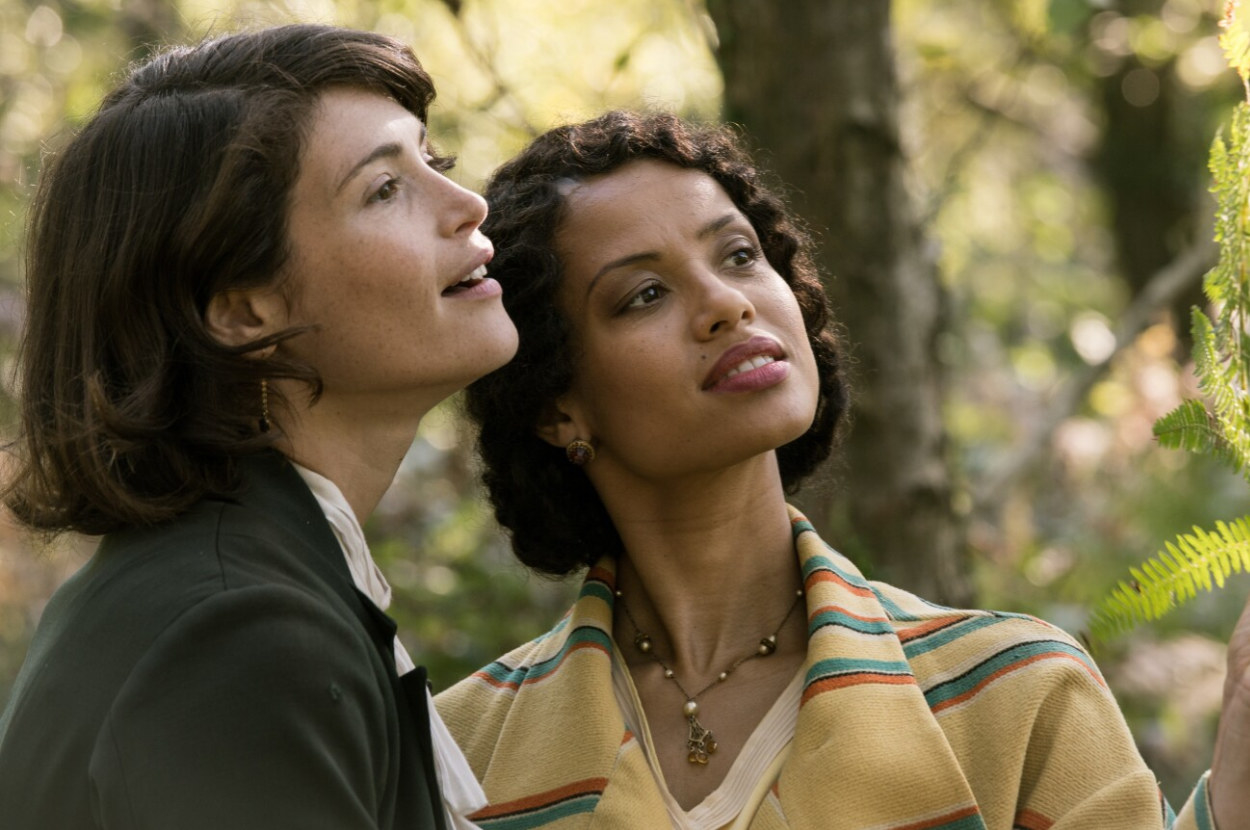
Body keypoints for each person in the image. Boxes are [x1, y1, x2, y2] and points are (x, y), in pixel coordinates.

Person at [435, 110, 1246, 829]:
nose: (727, 302)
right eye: (645, 294)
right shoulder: (458, 750)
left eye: (740, 255)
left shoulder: (1014, 697)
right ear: (556, 406)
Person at [0, 24, 515, 830]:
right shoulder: (239, 633)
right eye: (385, 189)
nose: (467, 204)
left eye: (434, 162)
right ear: (244, 312)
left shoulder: (241, 583)